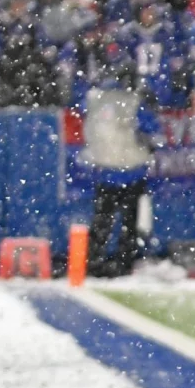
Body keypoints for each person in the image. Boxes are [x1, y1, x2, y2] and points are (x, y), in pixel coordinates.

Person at [76, 49, 159, 278]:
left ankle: (93, 262)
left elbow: (80, 107)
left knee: (102, 221)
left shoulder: (95, 99)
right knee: (128, 223)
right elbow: (153, 133)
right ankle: (124, 264)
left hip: (105, 171)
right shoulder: (136, 103)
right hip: (131, 171)